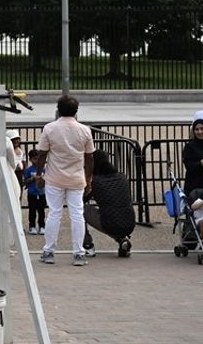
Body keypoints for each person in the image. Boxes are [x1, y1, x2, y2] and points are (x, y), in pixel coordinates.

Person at [33, 95, 95, 266]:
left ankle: (49, 250)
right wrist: (88, 178)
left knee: (54, 213)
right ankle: (78, 253)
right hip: (76, 178)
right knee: (77, 215)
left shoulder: (50, 128)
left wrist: (39, 175)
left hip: (54, 177)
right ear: (76, 111)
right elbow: (89, 157)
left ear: (58, 110)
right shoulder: (84, 130)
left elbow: (42, 154)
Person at [80, 151, 135, 257]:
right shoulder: (122, 177)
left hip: (110, 222)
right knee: (113, 215)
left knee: (79, 209)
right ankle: (122, 240)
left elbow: (83, 199)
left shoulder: (96, 181)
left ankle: (87, 245)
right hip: (129, 221)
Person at [24, 158, 46, 235]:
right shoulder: (29, 170)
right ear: (30, 159)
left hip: (41, 193)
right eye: (34, 159)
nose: (36, 161)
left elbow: (48, 179)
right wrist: (32, 178)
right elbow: (25, 181)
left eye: (37, 159)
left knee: (41, 211)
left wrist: (42, 179)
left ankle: (42, 226)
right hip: (32, 193)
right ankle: (32, 226)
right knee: (32, 210)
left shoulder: (43, 169)